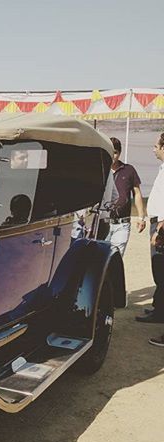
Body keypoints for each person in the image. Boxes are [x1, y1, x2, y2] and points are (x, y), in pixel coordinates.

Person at [100, 137, 147, 258]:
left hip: (122, 224)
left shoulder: (129, 170)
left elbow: (137, 193)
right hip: (103, 223)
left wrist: (141, 217)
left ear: (119, 153)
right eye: (110, 151)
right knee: (100, 260)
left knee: (116, 259)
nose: (113, 155)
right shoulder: (101, 170)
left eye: (115, 152)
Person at [143, 133, 164, 335]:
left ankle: (160, 312)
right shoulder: (162, 167)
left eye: (156, 145)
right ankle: (159, 309)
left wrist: (159, 229)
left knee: (160, 267)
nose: (153, 149)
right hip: (158, 222)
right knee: (158, 269)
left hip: (161, 224)